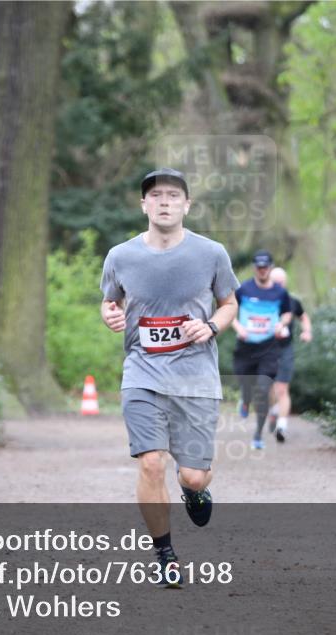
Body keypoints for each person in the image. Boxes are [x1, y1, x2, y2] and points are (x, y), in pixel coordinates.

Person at [100, 167, 239, 588]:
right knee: (151, 462)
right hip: (141, 372)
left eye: (173, 195)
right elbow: (110, 303)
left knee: (193, 474)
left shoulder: (211, 253)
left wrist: (212, 326)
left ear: (186, 205)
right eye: (156, 195)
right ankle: (165, 553)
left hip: (195, 377)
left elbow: (229, 302)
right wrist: (109, 315)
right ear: (144, 204)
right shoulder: (120, 256)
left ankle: (195, 490)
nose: (164, 201)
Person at [230, 250, 292, 450]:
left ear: (270, 268)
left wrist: (281, 324)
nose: (262, 270)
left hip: (268, 348)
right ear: (255, 268)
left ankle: (258, 434)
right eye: (259, 267)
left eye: (266, 267)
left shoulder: (279, 293)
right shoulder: (244, 289)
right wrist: (238, 327)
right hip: (246, 347)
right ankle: (245, 398)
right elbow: (227, 309)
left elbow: (288, 313)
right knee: (246, 384)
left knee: (264, 390)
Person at [266, 266, 312, 442]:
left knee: (282, 388)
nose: (278, 284)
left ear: (285, 283)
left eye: (281, 282)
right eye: (275, 282)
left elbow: (304, 317)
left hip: (285, 350)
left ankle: (281, 427)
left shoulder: (293, 301)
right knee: (270, 388)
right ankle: (274, 410)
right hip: (266, 350)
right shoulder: (263, 301)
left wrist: (306, 331)